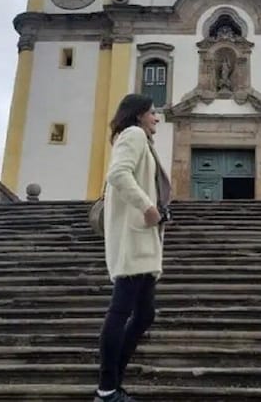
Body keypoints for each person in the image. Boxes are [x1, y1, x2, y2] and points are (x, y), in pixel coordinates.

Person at [94, 94, 171, 402]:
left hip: (143, 241)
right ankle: (107, 388)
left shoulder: (141, 138)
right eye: (153, 112)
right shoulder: (135, 134)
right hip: (133, 240)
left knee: (145, 314)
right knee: (122, 312)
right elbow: (117, 174)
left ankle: (113, 382)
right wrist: (147, 206)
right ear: (139, 115)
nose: (156, 117)